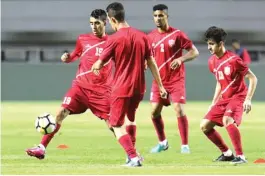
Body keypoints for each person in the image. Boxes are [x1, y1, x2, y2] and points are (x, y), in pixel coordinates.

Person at [26, 9, 113, 159]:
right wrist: (67, 58)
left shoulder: (112, 42)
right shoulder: (83, 39)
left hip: (100, 91)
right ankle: (41, 148)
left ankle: (132, 153)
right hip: (80, 88)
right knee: (60, 113)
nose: (93, 26)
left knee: (113, 124)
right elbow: (75, 55)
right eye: (91, 23)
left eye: (97, 23)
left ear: (105, 23)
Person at [92, 2, 167, 167]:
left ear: (112, 19)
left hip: (121, 87)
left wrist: (96, 65)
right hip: (139, 88)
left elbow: (100, 63)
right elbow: (152, 62)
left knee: (115, 124)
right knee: (130, 119)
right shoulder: (143, 36)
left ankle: (133, 157)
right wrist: (160, 86)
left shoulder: (113, 39)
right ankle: (131, 157)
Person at [201, 26, 258, 165]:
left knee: (227, 120)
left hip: (238, 97)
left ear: (221, 44)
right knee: (205, 126)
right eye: (208, 43)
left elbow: (253, 78)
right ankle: (227, 153)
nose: (209, 47)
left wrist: (248, 99)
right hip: (224, 98)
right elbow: (220, 82)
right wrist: (213, 102)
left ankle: (241, 156)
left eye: (212, 44)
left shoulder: (234, 60)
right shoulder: (212, 62)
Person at [147, 4, 199, 154]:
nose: (158, 18)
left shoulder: (177, 34)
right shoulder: (150, 37)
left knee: (179, 109)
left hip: (176, 79)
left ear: (167, 17)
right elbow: (149, 57)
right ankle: (163, 143)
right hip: (159, 81)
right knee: (154, 112)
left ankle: (184, 145)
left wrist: (181, 59)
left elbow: (194, 52)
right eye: (155, 16)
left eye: (161, 15)